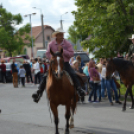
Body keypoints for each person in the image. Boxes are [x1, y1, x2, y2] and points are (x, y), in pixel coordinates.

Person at [32, 27, 86, 103]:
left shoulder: (67, 43)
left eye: (62, 34)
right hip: (54, 64)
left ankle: (79, 89)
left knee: (73, 74)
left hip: (65, 63)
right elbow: (47, 53)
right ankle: (38, 92)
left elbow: (71, 54)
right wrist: (54, 58)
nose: (62, 36)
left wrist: (63, 51)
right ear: (56, 35)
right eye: (60, 34)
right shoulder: (51, 44)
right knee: (46, 75)